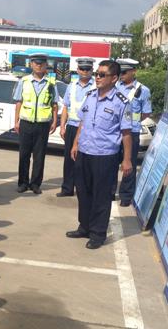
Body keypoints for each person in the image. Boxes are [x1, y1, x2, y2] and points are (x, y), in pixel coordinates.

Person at [66, 60, 132, 249]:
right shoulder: (90, 96)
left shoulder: (121, 102)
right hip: (84, 152)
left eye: (102, 75)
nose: (97, 77)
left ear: (114, 78)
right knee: (83, 192)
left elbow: (126, 133)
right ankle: (84, 227)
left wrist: (127, 160)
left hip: (105, 156)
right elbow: (82, 122)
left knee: (101, 196)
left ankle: (97, 234)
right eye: (97, 74)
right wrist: (76, 143)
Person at [13, 53, 59, 194]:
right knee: (24, 154)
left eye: (41, 63)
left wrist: (54, 121)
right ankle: (23, 183)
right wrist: (16, 121)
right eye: (36, 63)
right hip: (26, 123)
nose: (39, 66)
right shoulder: (24, 81)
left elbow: (54, 104)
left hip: (43, 124)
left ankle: (35, 184)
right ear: (31, 64)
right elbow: (19, 102)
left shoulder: (51, 83)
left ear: (46, 65)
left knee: (39, 156)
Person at [115, 58, 152, 206]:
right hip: (115, 131)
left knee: (129, 163)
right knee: (111, 162)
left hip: (132, 131)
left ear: (133, 72)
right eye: (120, 72)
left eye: (124, 72)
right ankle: (109, 192)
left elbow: (146, 113)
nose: (121, 75)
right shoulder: (115, 87)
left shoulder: (143, 90)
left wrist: (131, 122)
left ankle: (126, 196)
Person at [57, 57, 95, 197]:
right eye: (82, 69)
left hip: (88, 129)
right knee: (69, 159)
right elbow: (65, 107)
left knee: (85, 160)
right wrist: (62, 126)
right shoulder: (71, 86)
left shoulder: (96, 86)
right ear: (77, 70)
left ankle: (83, 190)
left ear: (92, 70)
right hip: (72, 126)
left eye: (87, 69)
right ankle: (67, 188)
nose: (85, 71)